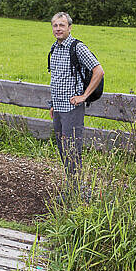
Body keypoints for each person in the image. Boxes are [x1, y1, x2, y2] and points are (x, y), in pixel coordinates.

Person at [47, 12, 104, 190]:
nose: (58, 29)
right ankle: (71, 188)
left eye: (62, 25)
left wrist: (84, 96)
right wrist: (53, 105)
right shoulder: (54, 48)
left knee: (72, 150)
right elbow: (57, 79)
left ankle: (75, 193)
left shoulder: (77, 48)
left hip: (72, 108)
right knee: (63, 149)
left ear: (69, 28)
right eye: (55, 26)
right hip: (58, 108)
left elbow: (99, 71)